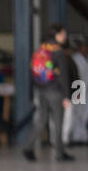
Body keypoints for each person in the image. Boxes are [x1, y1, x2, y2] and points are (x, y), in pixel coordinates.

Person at [22, 24, 74, 162]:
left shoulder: (41, 50)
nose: (65, 36)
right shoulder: (59, 52)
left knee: (41, 120)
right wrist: (66, 96)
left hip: (41, 90)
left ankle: (28, 147)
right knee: (58, 122)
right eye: (63, 33)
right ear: (56, 35)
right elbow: (63, 76)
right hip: (55, 91)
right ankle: (60, 153)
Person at [62, 34, 88, 145]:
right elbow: (75, 76)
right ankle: (74, 137)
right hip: (79, 89)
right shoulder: (75, 59)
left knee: (86, 114)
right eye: (85, 47)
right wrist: (76, 92)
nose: (87, 49)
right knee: (76, 114)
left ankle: (83, 137)